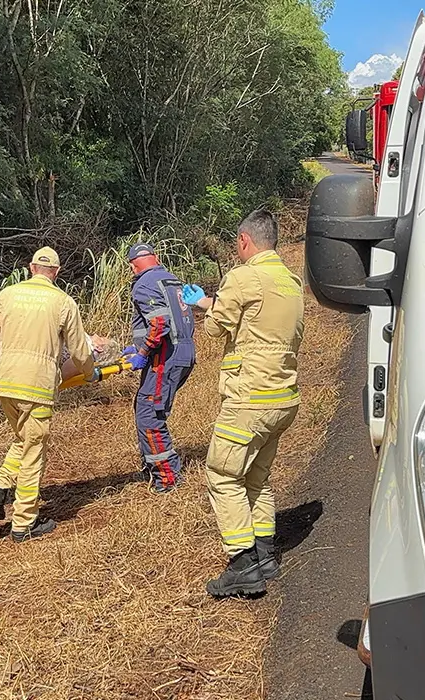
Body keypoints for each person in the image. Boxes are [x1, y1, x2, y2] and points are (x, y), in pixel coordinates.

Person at [183, 210, 304, 598]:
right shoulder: (291, 281)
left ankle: (242, 564)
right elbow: (258, 322)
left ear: (244, 241)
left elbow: (218, 327)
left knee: (222, 473)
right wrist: (211, 303)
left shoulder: (242, 276)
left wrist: (204, 306)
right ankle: (265, 555)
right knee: (257, 478)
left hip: (249, 399)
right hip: (282, 398)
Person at [0, 247, 94, 543]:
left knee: (23, 440)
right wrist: (91, 373)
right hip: (36, 388)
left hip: (6, 384)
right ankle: (24, 523)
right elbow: (80, 350)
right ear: (56, 271)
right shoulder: (63, 302)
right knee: (33, 452)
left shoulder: (7, 295)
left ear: (31, 268)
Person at [121, 244, 197, 493]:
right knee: (147, 407)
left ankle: (167, 478)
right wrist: (137, 346)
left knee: (150, 416)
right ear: (157, 258)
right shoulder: (171, 280)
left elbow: (159, 323)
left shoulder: (144, 284)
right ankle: (154, 467)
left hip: (164, 358)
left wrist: (143, 353)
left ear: (132, 265)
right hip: (184, 353)